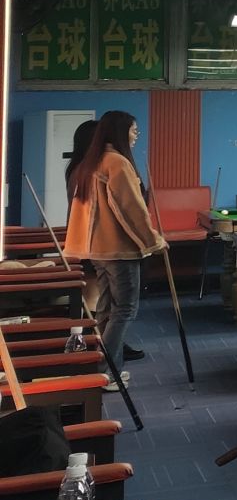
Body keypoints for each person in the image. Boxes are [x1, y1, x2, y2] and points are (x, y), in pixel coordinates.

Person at [71, 111, 164, 391]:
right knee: (124, 309)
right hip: (119, 250)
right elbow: (131, 210)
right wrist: (153, 240)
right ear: (121, 132)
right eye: (134, 130)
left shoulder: (93, 161)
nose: (137, 135)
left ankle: (103, 368)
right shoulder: (117, 162)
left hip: (97, 249)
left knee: (107, 309)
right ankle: (107, 372)